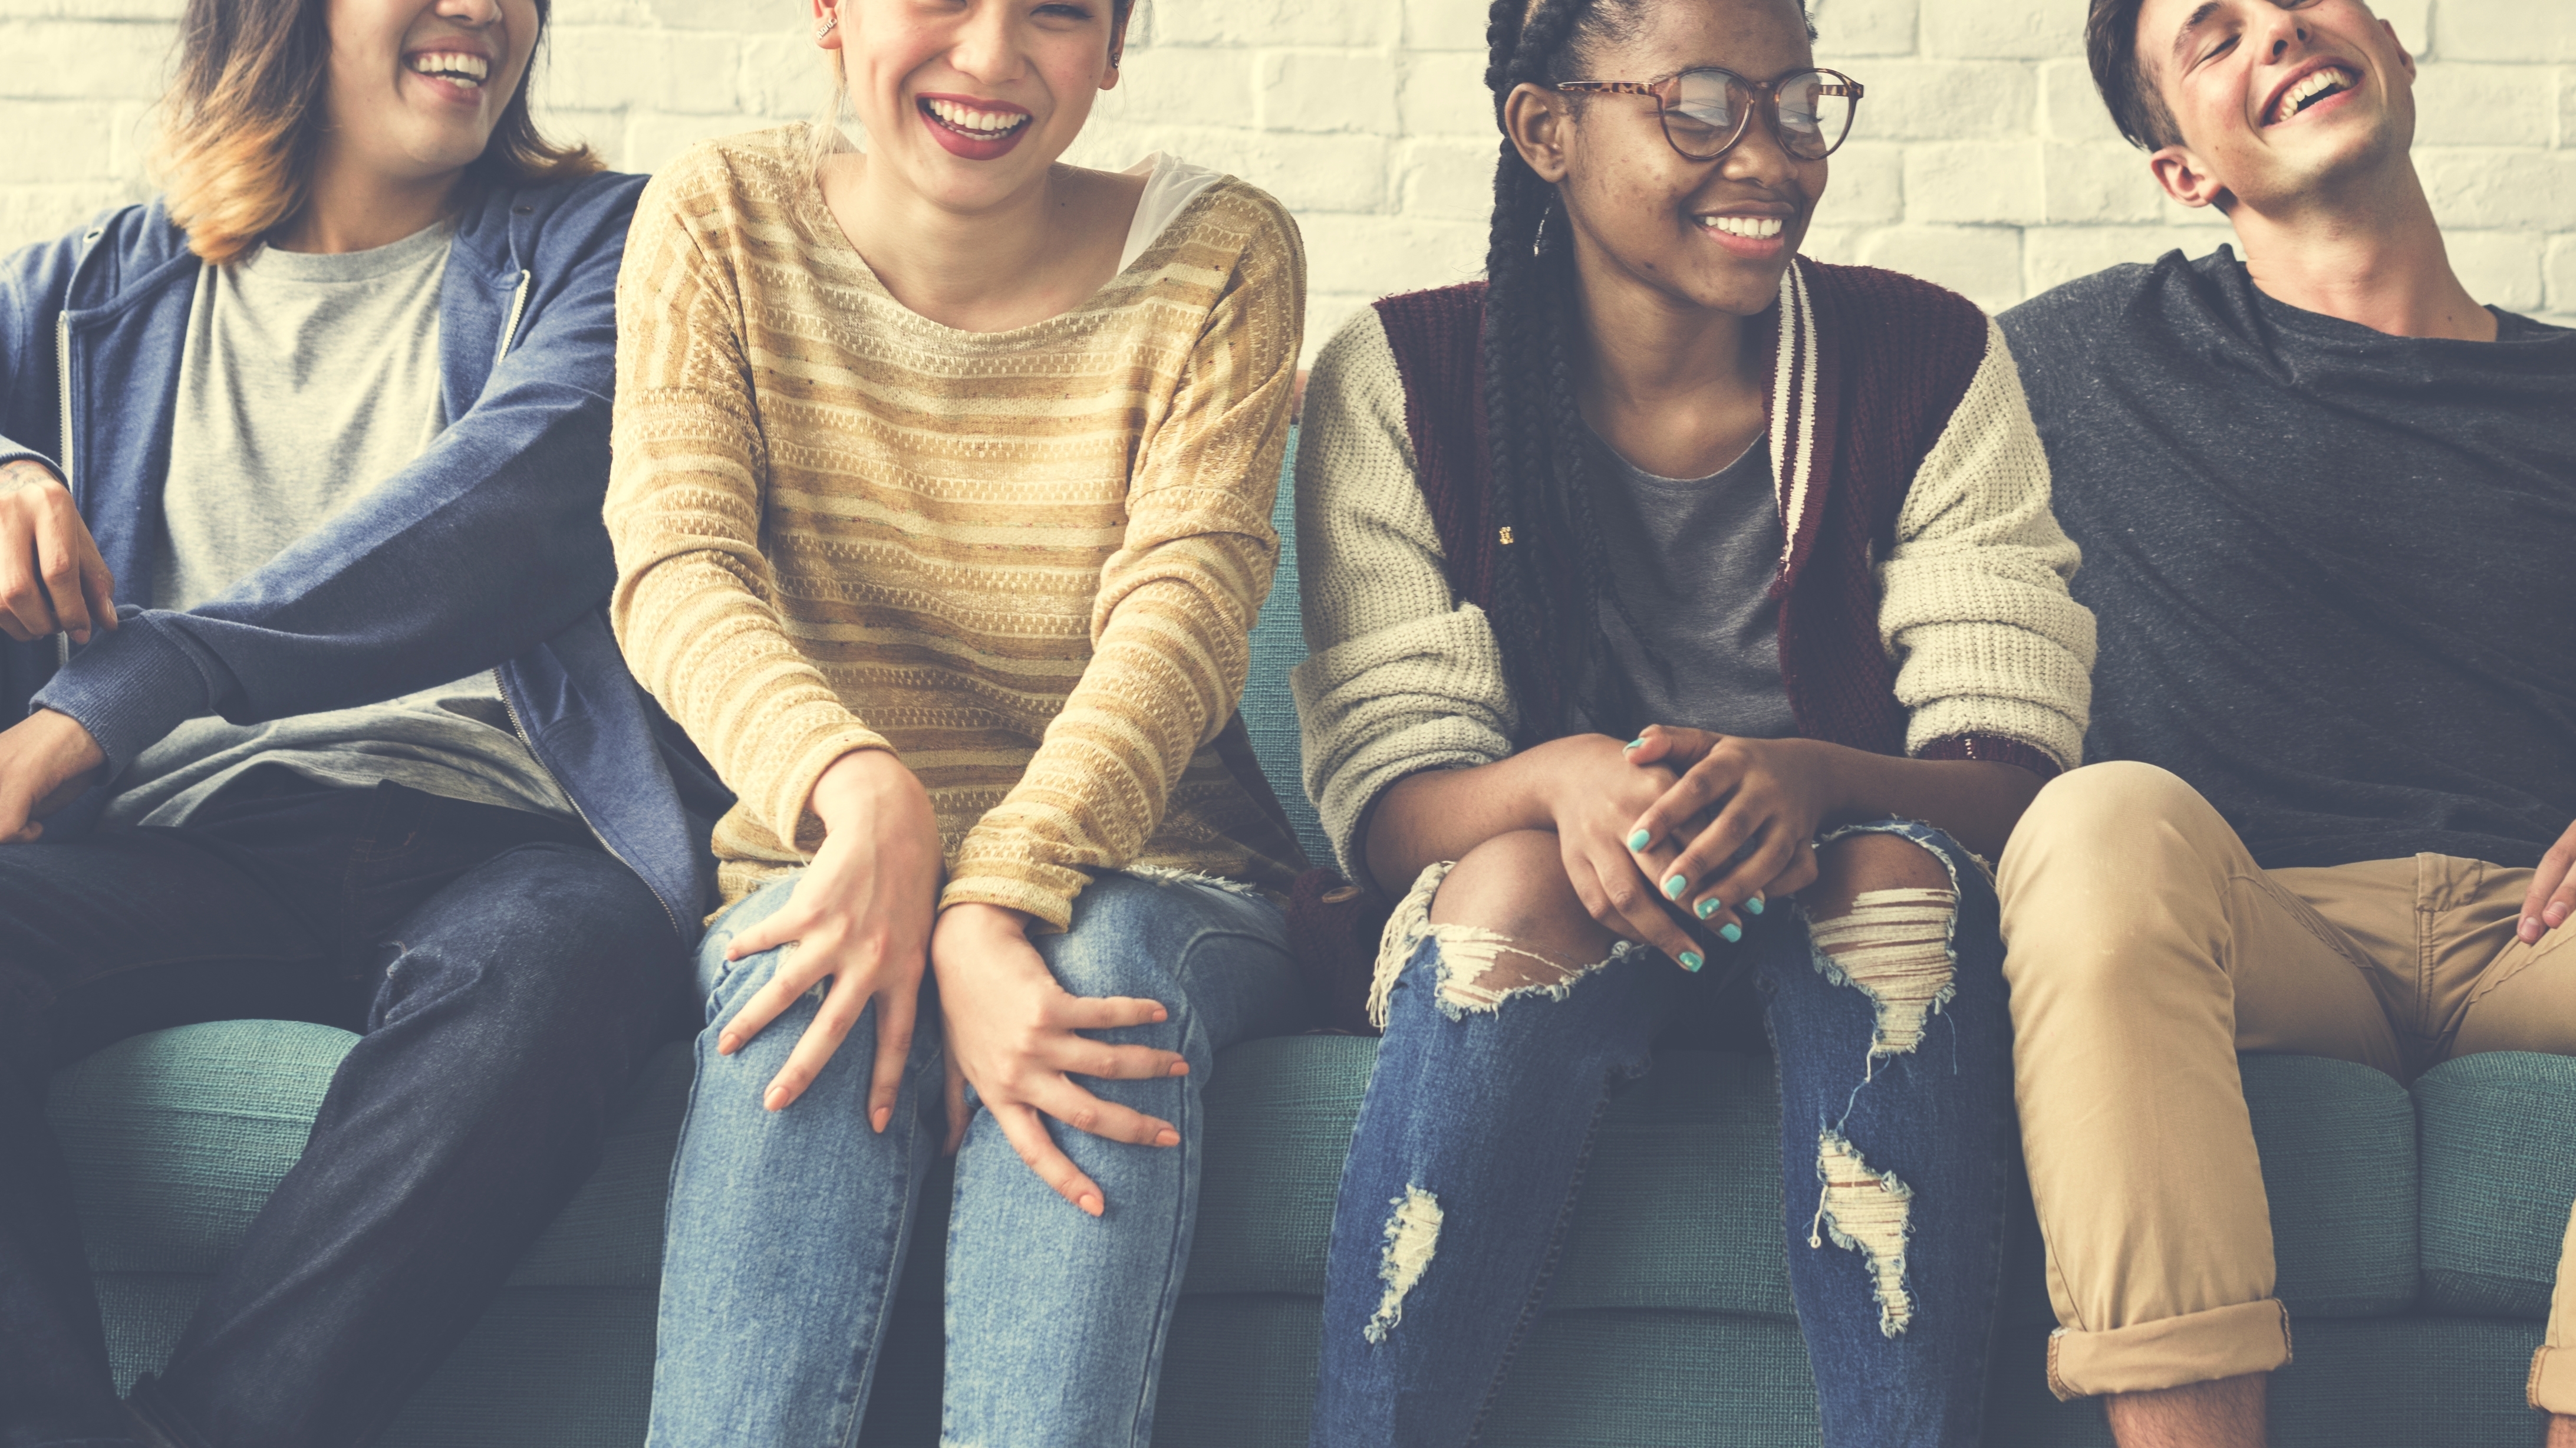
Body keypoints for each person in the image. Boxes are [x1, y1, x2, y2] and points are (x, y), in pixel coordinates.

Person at [1288, 0, 2096, 1441]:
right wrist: (1557, 779)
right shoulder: (1401, 377)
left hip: (1847, 891)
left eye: (1799, 104)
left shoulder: (1925, 359)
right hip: (1549, 908)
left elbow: (2017, 773)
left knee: (1892, 883)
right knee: (1516, 873)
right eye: (1705, 103)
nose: (1772, 156)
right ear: (1545, 128)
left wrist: (1812, 779)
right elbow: (1390, 793)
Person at [0, 1, 713, 1446]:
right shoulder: (87, 291)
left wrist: (132, 688)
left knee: (565, 957)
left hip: (504, 833)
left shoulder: (610, 247)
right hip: (193, 843)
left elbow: (508, 508)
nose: (485, 11)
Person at [606, 0, 1312, 1442]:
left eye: (1055, 12)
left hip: (1153, 867)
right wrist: (869, 799)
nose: (989, 59)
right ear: (829, 14)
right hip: (831, 859)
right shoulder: (717, 218)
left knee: (1098, 969)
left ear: (1114, 44)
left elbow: (1182, 617)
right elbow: (677, 563)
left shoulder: (1223, 252)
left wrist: (987, 901)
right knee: (811, 970)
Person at [1992, 0, 2576, 1443]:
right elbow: (1778, 430)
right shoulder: (2071, 360)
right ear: (2184, 170)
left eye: (2305, 2)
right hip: (2263, 931)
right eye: (2214, 36)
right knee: (2094, 815)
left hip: (2541, 936)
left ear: (2391, 48)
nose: (2280, 32)